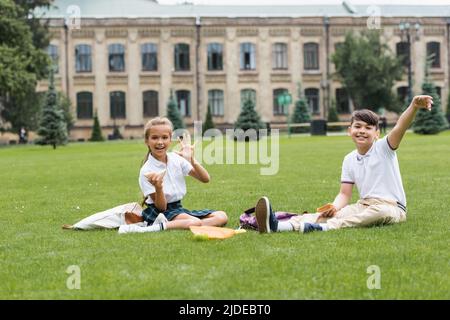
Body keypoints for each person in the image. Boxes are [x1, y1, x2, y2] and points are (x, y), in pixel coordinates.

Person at [255, 95, 433, 234]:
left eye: (368, 127)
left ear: (377, 133)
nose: (362, 131)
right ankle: (278, 226)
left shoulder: (384, 148)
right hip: (363, 205)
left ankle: (328, 228)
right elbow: (344, 194)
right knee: (326, 215)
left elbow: (400, 127)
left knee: (379, 213)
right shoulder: (349, 159)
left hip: (391, 207)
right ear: (350, 131)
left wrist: (413, 106)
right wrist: (334, 207)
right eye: (358, 126)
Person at [118, 117, 228, 234]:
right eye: (155, 138)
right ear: (147, 141)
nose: (160, 142)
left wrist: (191, 159)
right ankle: (146, 229)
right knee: (194, 222)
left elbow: (205, 179)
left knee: (222, 216)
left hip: (177, 209)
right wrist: (158, 187)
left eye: (165, 137)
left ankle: (185, 224)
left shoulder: (176, 159)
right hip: (159, 212)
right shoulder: (146, 170)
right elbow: (161, 207)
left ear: (170, 140)